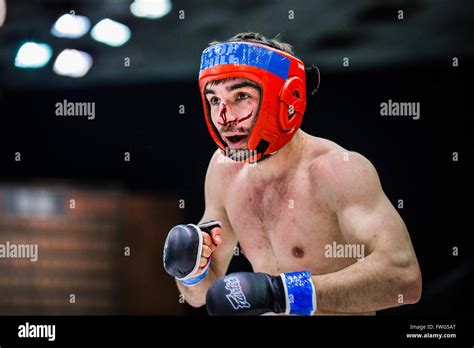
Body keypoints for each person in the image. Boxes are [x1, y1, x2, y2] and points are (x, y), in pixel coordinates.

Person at [163, 32, 422, 315]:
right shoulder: (223, 169)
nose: (225, 117)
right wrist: (190, 272)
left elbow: (404, 279)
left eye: (241, 96)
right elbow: (200, 296)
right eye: (214, 100)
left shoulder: (338, 169)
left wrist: (280, 293)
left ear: (285, 99)